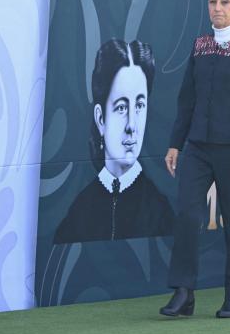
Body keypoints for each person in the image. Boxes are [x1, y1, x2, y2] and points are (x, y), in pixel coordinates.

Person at [159, 0, 230, 318]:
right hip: (198, 148)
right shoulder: (200, 45)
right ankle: (183, 292)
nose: (216, 8)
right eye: (211, 2)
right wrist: (176, 143)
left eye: (223, 2)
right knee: (188, 215)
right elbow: (186, 100)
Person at [54, 39, 175, 244]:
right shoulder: (79, 213)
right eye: (121, 107)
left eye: (139, 106)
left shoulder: (160, 211)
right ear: (101, 119)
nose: (131, 125)